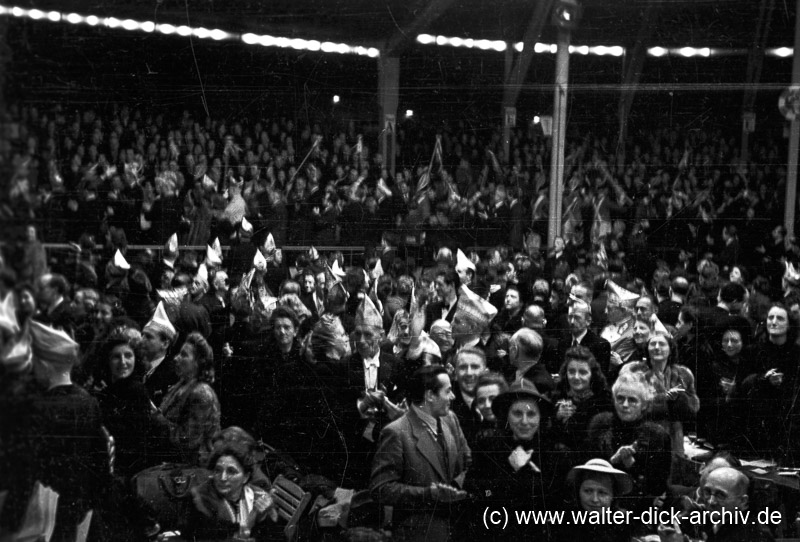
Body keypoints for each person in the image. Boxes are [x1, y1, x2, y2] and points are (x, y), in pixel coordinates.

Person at [370, 365, 471, 542]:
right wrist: (428, 494)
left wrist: (455, 487)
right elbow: (381, 489)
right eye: (447, 392)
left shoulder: (451, 419)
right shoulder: (396, 432)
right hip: (421, 533)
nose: (453, 397)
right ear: (430, 395)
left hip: (458, 528)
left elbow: (469, 461)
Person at [465, 379, 568, 541]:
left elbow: (558, 504)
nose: (525, 421)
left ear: (540, 417)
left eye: (531, 414)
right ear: (507, 416)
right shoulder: (488, 447)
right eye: (517, 414)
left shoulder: (556, 453)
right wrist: (509, 471)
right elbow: (478, 492)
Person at [587, 371, 672, 518]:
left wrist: (631, 464)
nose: (625, 405)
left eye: (632, 400)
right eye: (620, 398)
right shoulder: (600, 424)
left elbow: (658, 487)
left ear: (644, 404)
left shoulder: (657, 435)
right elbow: (587, 469)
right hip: (597, 502)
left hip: (637, 509)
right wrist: (612, 462)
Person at [623, 329, 699, 455]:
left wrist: (680, 398)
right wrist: (664, 398)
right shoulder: (635, 372)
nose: (657, 347)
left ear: (670, 349)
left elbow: (694, 408)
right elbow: (629, 407)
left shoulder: (683, 374)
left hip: (675, 438)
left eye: (662, 344)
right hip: (644, 435)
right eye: (653, 344)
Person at [185, 440, 278, 541]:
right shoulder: (200, 499)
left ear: (245, 477)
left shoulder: (257, 496)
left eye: (231, 471)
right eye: (218, 470)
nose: (223, 478)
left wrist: (264, 516)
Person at [159, 331, 221, 466]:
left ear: (198, 363)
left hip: (192, 469)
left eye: (184, 355)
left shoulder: (201, 393)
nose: (176, 358)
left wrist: (158, 420)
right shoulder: (181, 384)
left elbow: (189, 440)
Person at [552, 458, 633, 542]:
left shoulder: (622, 522)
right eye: (588, 491)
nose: (595, 499)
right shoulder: (562, 523)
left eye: (602, 492)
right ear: (578, 492)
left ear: (613, 496)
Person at [550, 346, 613, 452]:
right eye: (571, 371)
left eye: (583, 372)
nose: (576, 377)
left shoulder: (604, 401)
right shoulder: (556, 397)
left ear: (592, 375)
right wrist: (557, 417)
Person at [558, 299, 611, 376]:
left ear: (588, 321)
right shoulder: (563, 342)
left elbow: (600, 379)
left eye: (577, 318)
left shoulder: (601, 345)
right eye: (570, 317)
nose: (572, 322)